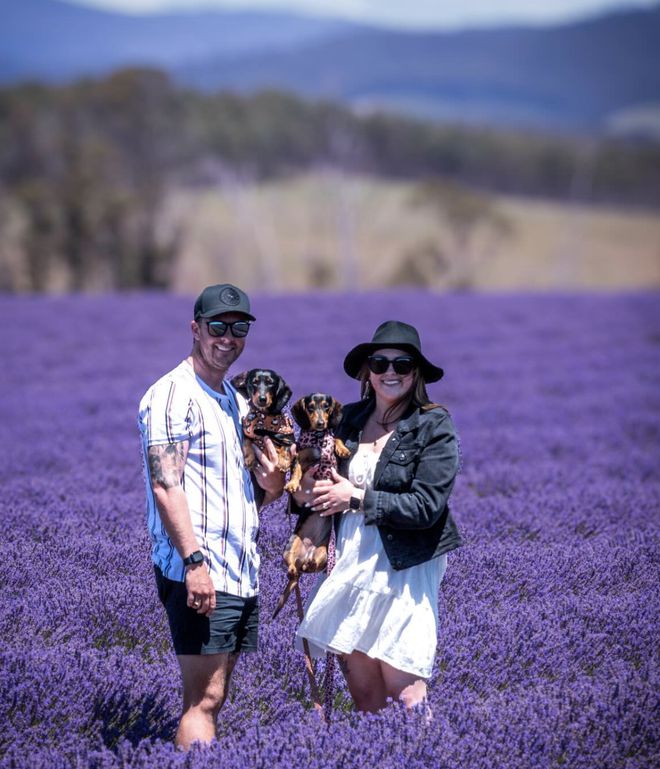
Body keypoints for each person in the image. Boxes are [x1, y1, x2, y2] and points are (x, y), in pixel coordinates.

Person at [138, 283, 284, 749]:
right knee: (204, 699)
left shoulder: (235, 401)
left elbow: (250, 491)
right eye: (217, 326)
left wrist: (273, 483)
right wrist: (194, 563)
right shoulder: (172, 395)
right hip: (201, 571)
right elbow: (166, 485)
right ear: (195, 329)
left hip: (240, 570)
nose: (227, 338)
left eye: (239, 329)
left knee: (215, 697)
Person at [291, 320, 462, 713]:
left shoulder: (433, 425)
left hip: (404, 568)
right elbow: (317, 483)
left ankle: (424, 749)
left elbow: (426, 506)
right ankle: (377, 748)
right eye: (380, 363)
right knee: (366, 698)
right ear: (367, 372)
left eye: (402, 364)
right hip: (351, 563)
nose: (390, 372)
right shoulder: (347, 419)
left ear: (416, 373)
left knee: (407, 696)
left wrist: (355, 499)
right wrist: (300, 488)